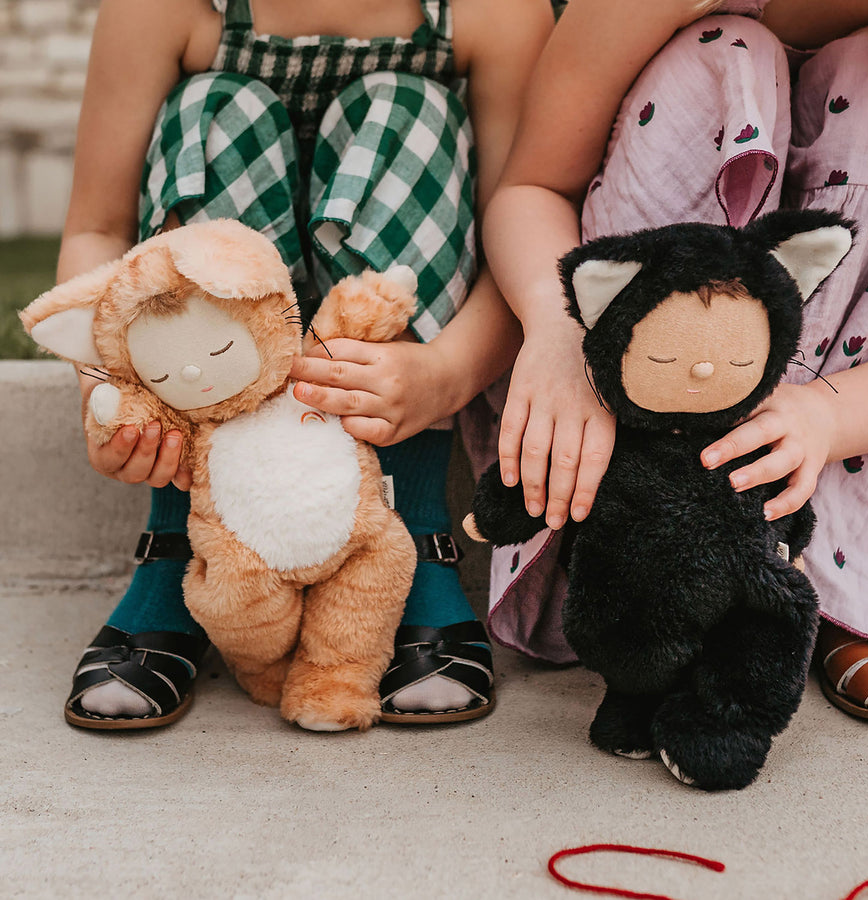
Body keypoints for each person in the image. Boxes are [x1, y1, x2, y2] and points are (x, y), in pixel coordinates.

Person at [59, 0, 554, 729]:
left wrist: (446, 372)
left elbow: (519, 224)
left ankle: (411, 532)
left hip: (371, 343)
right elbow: (96, 229)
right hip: (221, 360)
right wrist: (106, 389)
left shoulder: (493, 11)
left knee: (406, 108)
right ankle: (180, 544)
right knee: (216, 106)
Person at [480, 0, 868, 719]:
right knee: (726, 53)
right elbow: (532, 187)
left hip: (852, 395)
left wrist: (826, 417)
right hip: (633, 402)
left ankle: (833, 579)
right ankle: (647, 555)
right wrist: (562, 334)